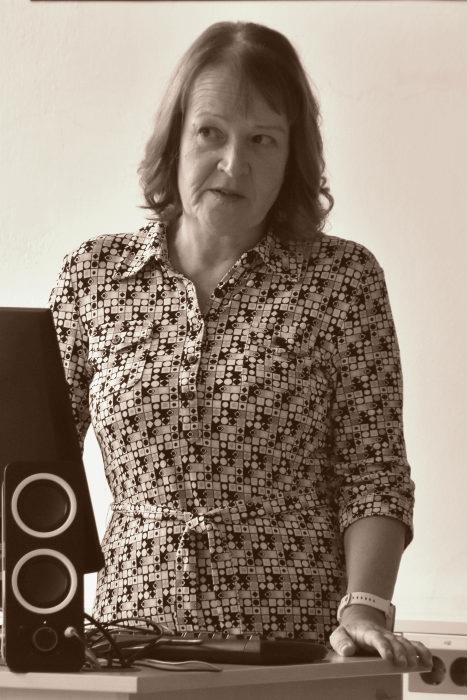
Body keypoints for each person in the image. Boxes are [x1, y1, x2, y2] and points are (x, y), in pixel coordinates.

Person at [49, 21, 431, 667]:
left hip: (294, 653)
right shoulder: (94, 275)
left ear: (291, 157)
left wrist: (365, 607)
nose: (233, 164)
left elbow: (373, 474)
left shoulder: (342, 280)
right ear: (175, 137)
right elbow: (31, 466)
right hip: (128, 650)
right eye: (210, 132)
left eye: (262, 139)